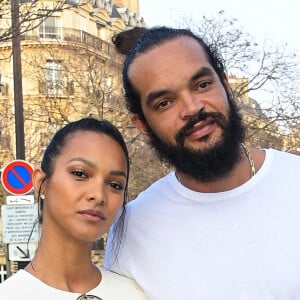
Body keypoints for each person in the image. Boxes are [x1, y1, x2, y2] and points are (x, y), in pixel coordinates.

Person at [104, 26, 300, 300]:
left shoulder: (294, 181)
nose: (192, 108)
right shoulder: (132, 229)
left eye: (202, 85)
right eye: (164, 103)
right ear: (143, 125)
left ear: (226, 85)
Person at [0, 117, 148, 299]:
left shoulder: (136, 294)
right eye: (80, 174)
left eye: (115, 185)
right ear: (41, 182)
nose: (99, 195)